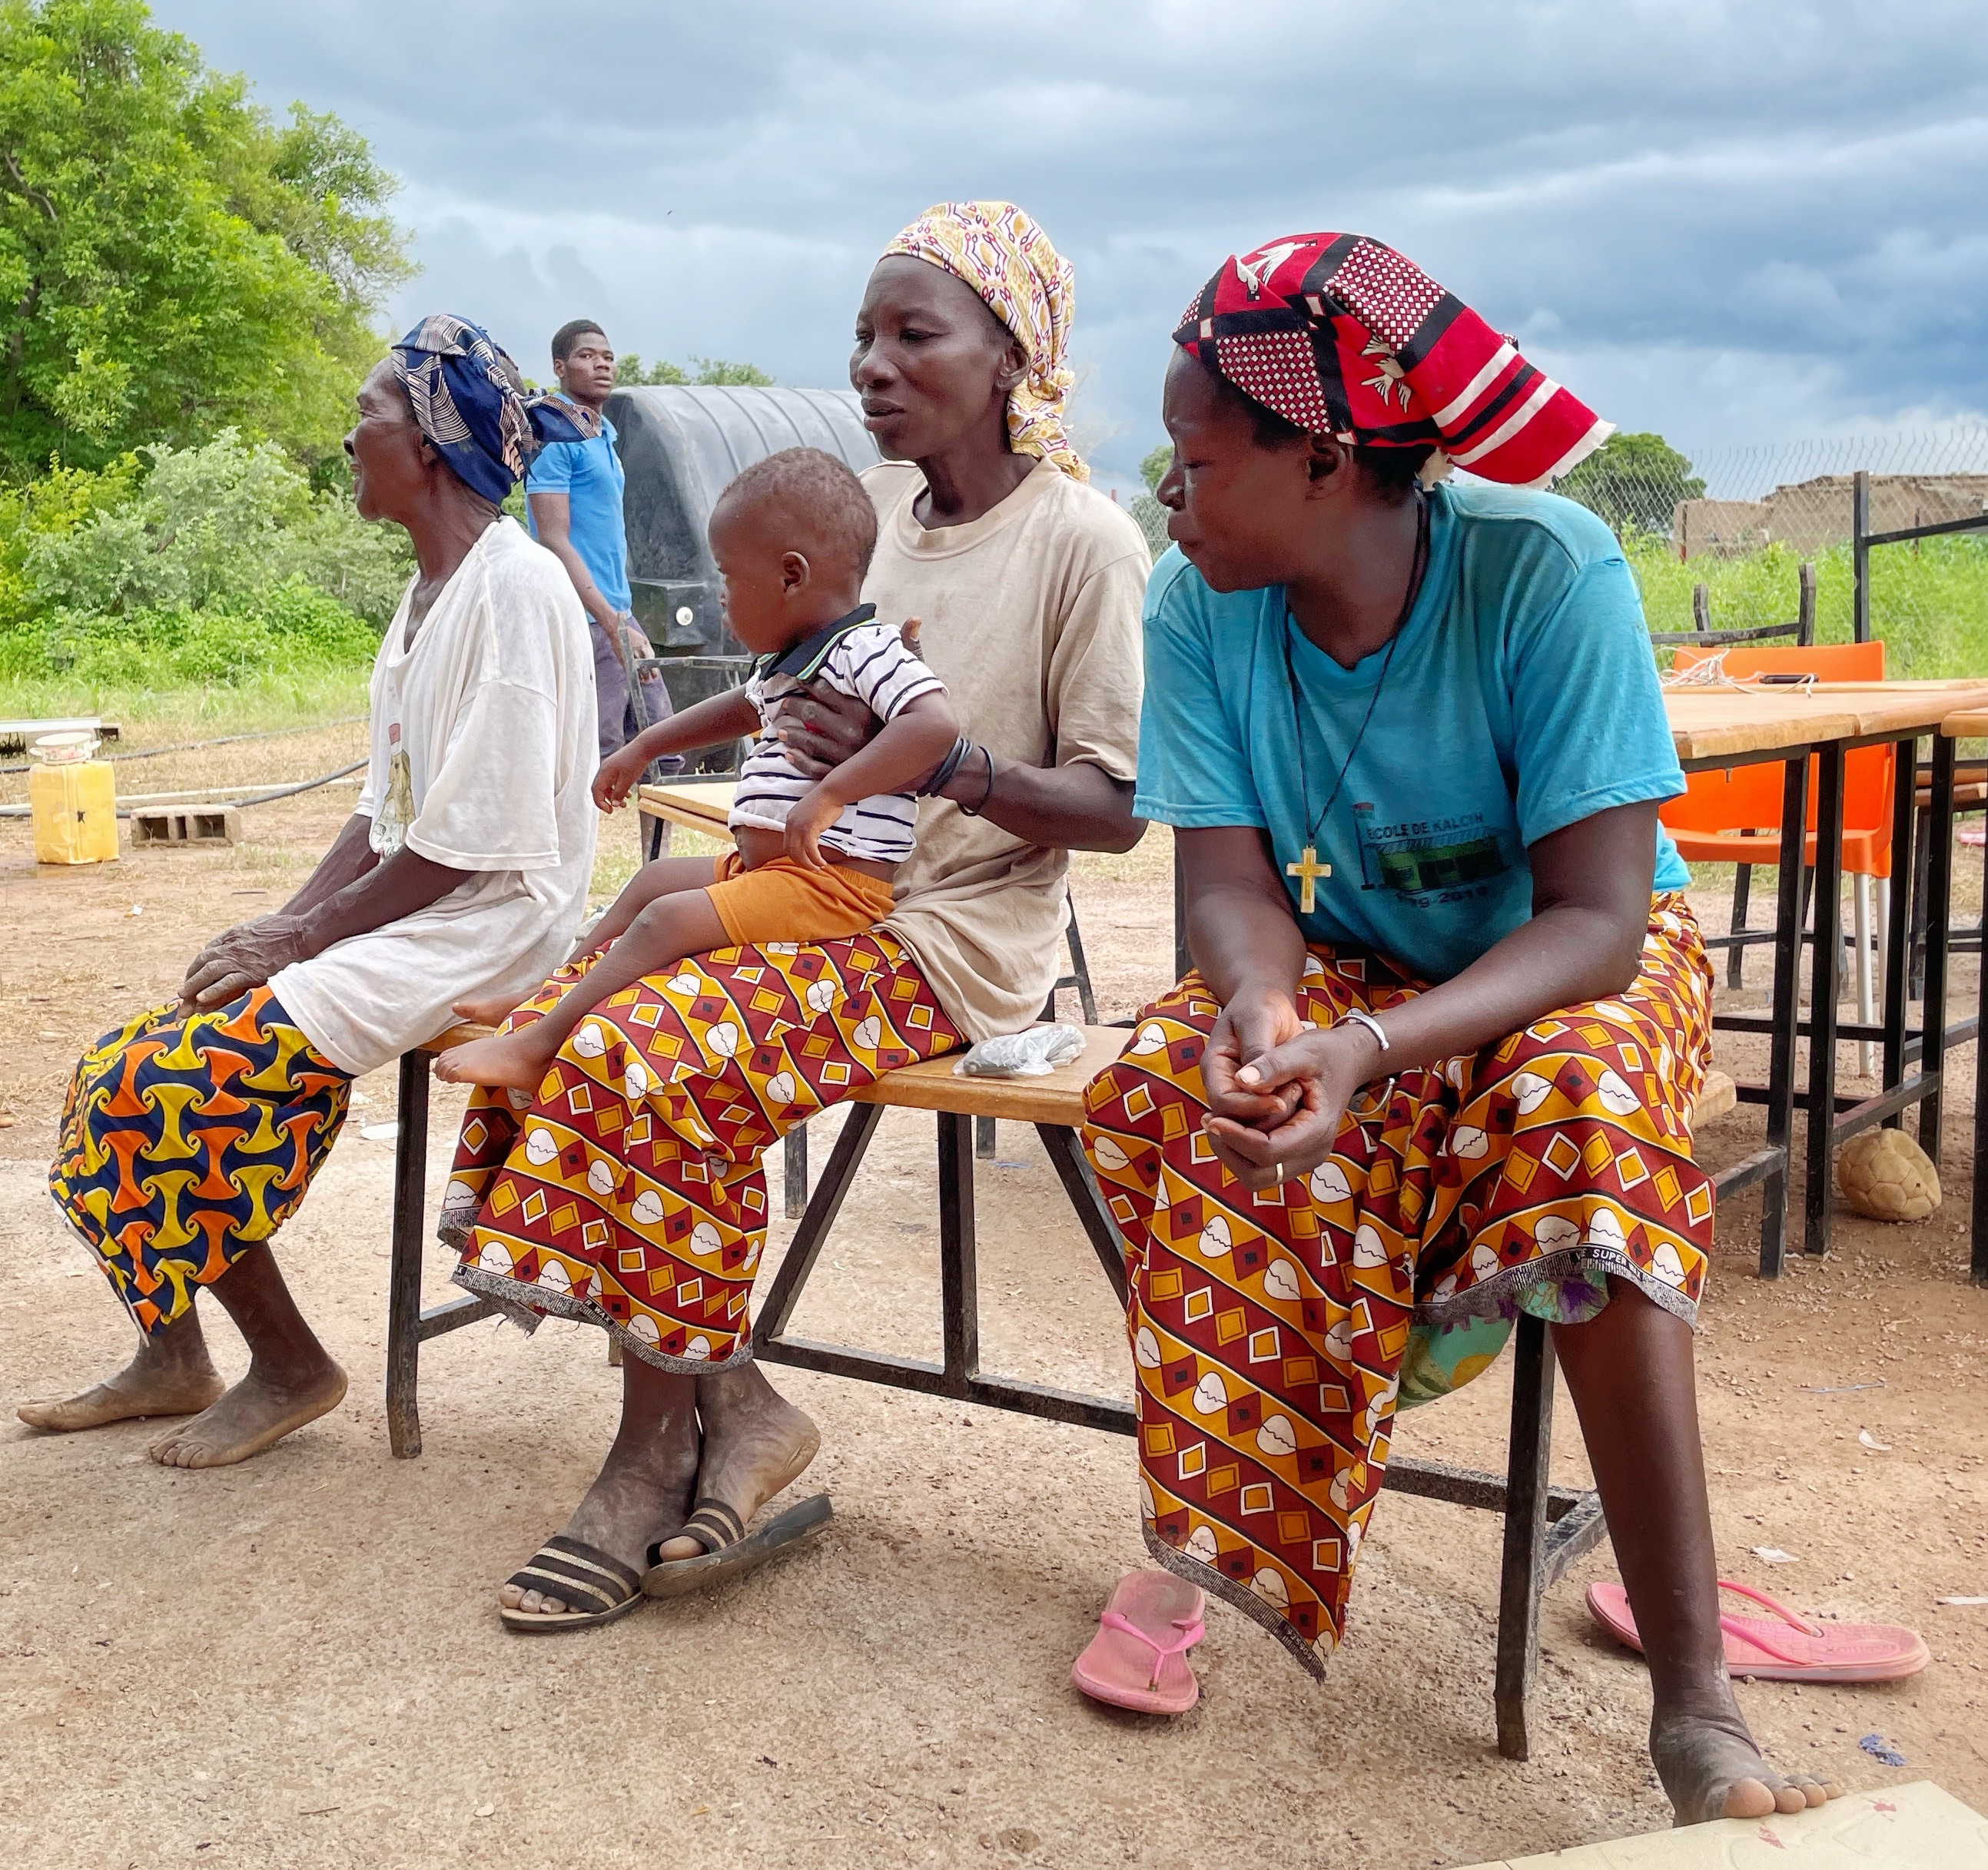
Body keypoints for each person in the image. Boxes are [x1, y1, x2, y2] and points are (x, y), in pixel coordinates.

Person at [1076, 232, 1838, 1825]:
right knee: (1164, 1079)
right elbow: (1224, 883)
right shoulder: (1195, 601)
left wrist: (1370, 1057)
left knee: (1577, 1114)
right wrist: (1275, 1018)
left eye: (1199, 463)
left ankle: (1694, 1703)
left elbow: (1598, 921)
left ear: (1324, 456)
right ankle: (1251, 1526)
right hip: (1347, 960)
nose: (1170, 496)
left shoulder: (1544, 570)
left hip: (1555, 960)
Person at [436, 201, 1150, 1633]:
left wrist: (951, 767)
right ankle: (738, 1403)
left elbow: (1117, 806)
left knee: (649, 1045)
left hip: (941, 937)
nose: (874, 364)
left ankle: (650, 1456)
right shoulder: (862, 515)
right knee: (573, 1009)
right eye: (863, 337)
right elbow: (777, 689)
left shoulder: (1084, 542)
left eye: (912, 334)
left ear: (1014, 357)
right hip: (818, 894)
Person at [19, 315, 601, 1470]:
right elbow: (381, 815)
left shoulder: (516, 589)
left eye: (368, 414)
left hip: (490, 923)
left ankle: (291, 1366)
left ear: (428, 445)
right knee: (114, 1064)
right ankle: (172, 1352)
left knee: (171, 1085)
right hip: (424, 901)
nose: (349, 437)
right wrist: (278, 928)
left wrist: (305, 937)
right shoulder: (428, 596)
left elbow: (470, 842)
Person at [437, 446, 957, 1093]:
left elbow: (934, 725)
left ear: (791, 577)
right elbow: (738, 709)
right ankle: (544, 994)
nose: (719, 594)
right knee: (654, 881)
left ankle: (539, 1045)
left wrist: (832, 794)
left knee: (669, 919)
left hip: (835, 887)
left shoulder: (865, 649)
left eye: (728, 577)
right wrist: (643, 746)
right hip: (773, 874)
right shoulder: (793, 659)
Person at [529, 318, 666, 763]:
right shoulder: (553, 438)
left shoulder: (604, 434)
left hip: (617, 613)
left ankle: (654, 838)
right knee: (593, 752)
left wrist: (620, 618)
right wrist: (611, 623)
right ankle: (566, 836)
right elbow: (552, 539)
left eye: (607, 357)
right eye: (587, 357)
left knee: (662, 749)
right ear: (560, 367)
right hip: (583, 620)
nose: (602, 365)